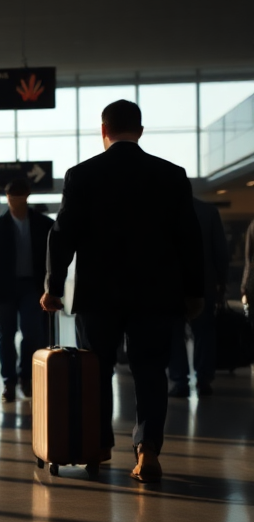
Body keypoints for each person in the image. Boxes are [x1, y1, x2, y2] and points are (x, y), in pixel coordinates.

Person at [42, 100, 203, 484]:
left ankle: (97, 447)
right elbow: (189, 240)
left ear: (103, 130)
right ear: (141, 131)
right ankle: (147, 452)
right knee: (151, 371)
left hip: (98, 296)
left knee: (97, 370)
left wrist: (52, 286)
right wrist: (194, 293)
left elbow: (62, 235)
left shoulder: (82, 175)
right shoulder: (171, 175)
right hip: (156, 295)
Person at [0, 178, 54, 402]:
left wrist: (54, 286)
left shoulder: (43, 224)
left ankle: (26, 377)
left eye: (18, 198)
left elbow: (53, 257)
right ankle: (8, 381)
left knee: (32, 333)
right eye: (10, 198)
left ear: (26, 197)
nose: (14, 202)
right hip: (4, 288)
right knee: (5, 335)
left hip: (33, 286)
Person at [169, 197, 228, 398]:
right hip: (204, 284)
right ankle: (204, 380)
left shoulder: (164, 211)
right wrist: (222, 282)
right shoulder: (209, 212)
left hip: (172, 286)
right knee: (204, 333)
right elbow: (220, 250)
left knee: (174, 335)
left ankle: (180, 381)